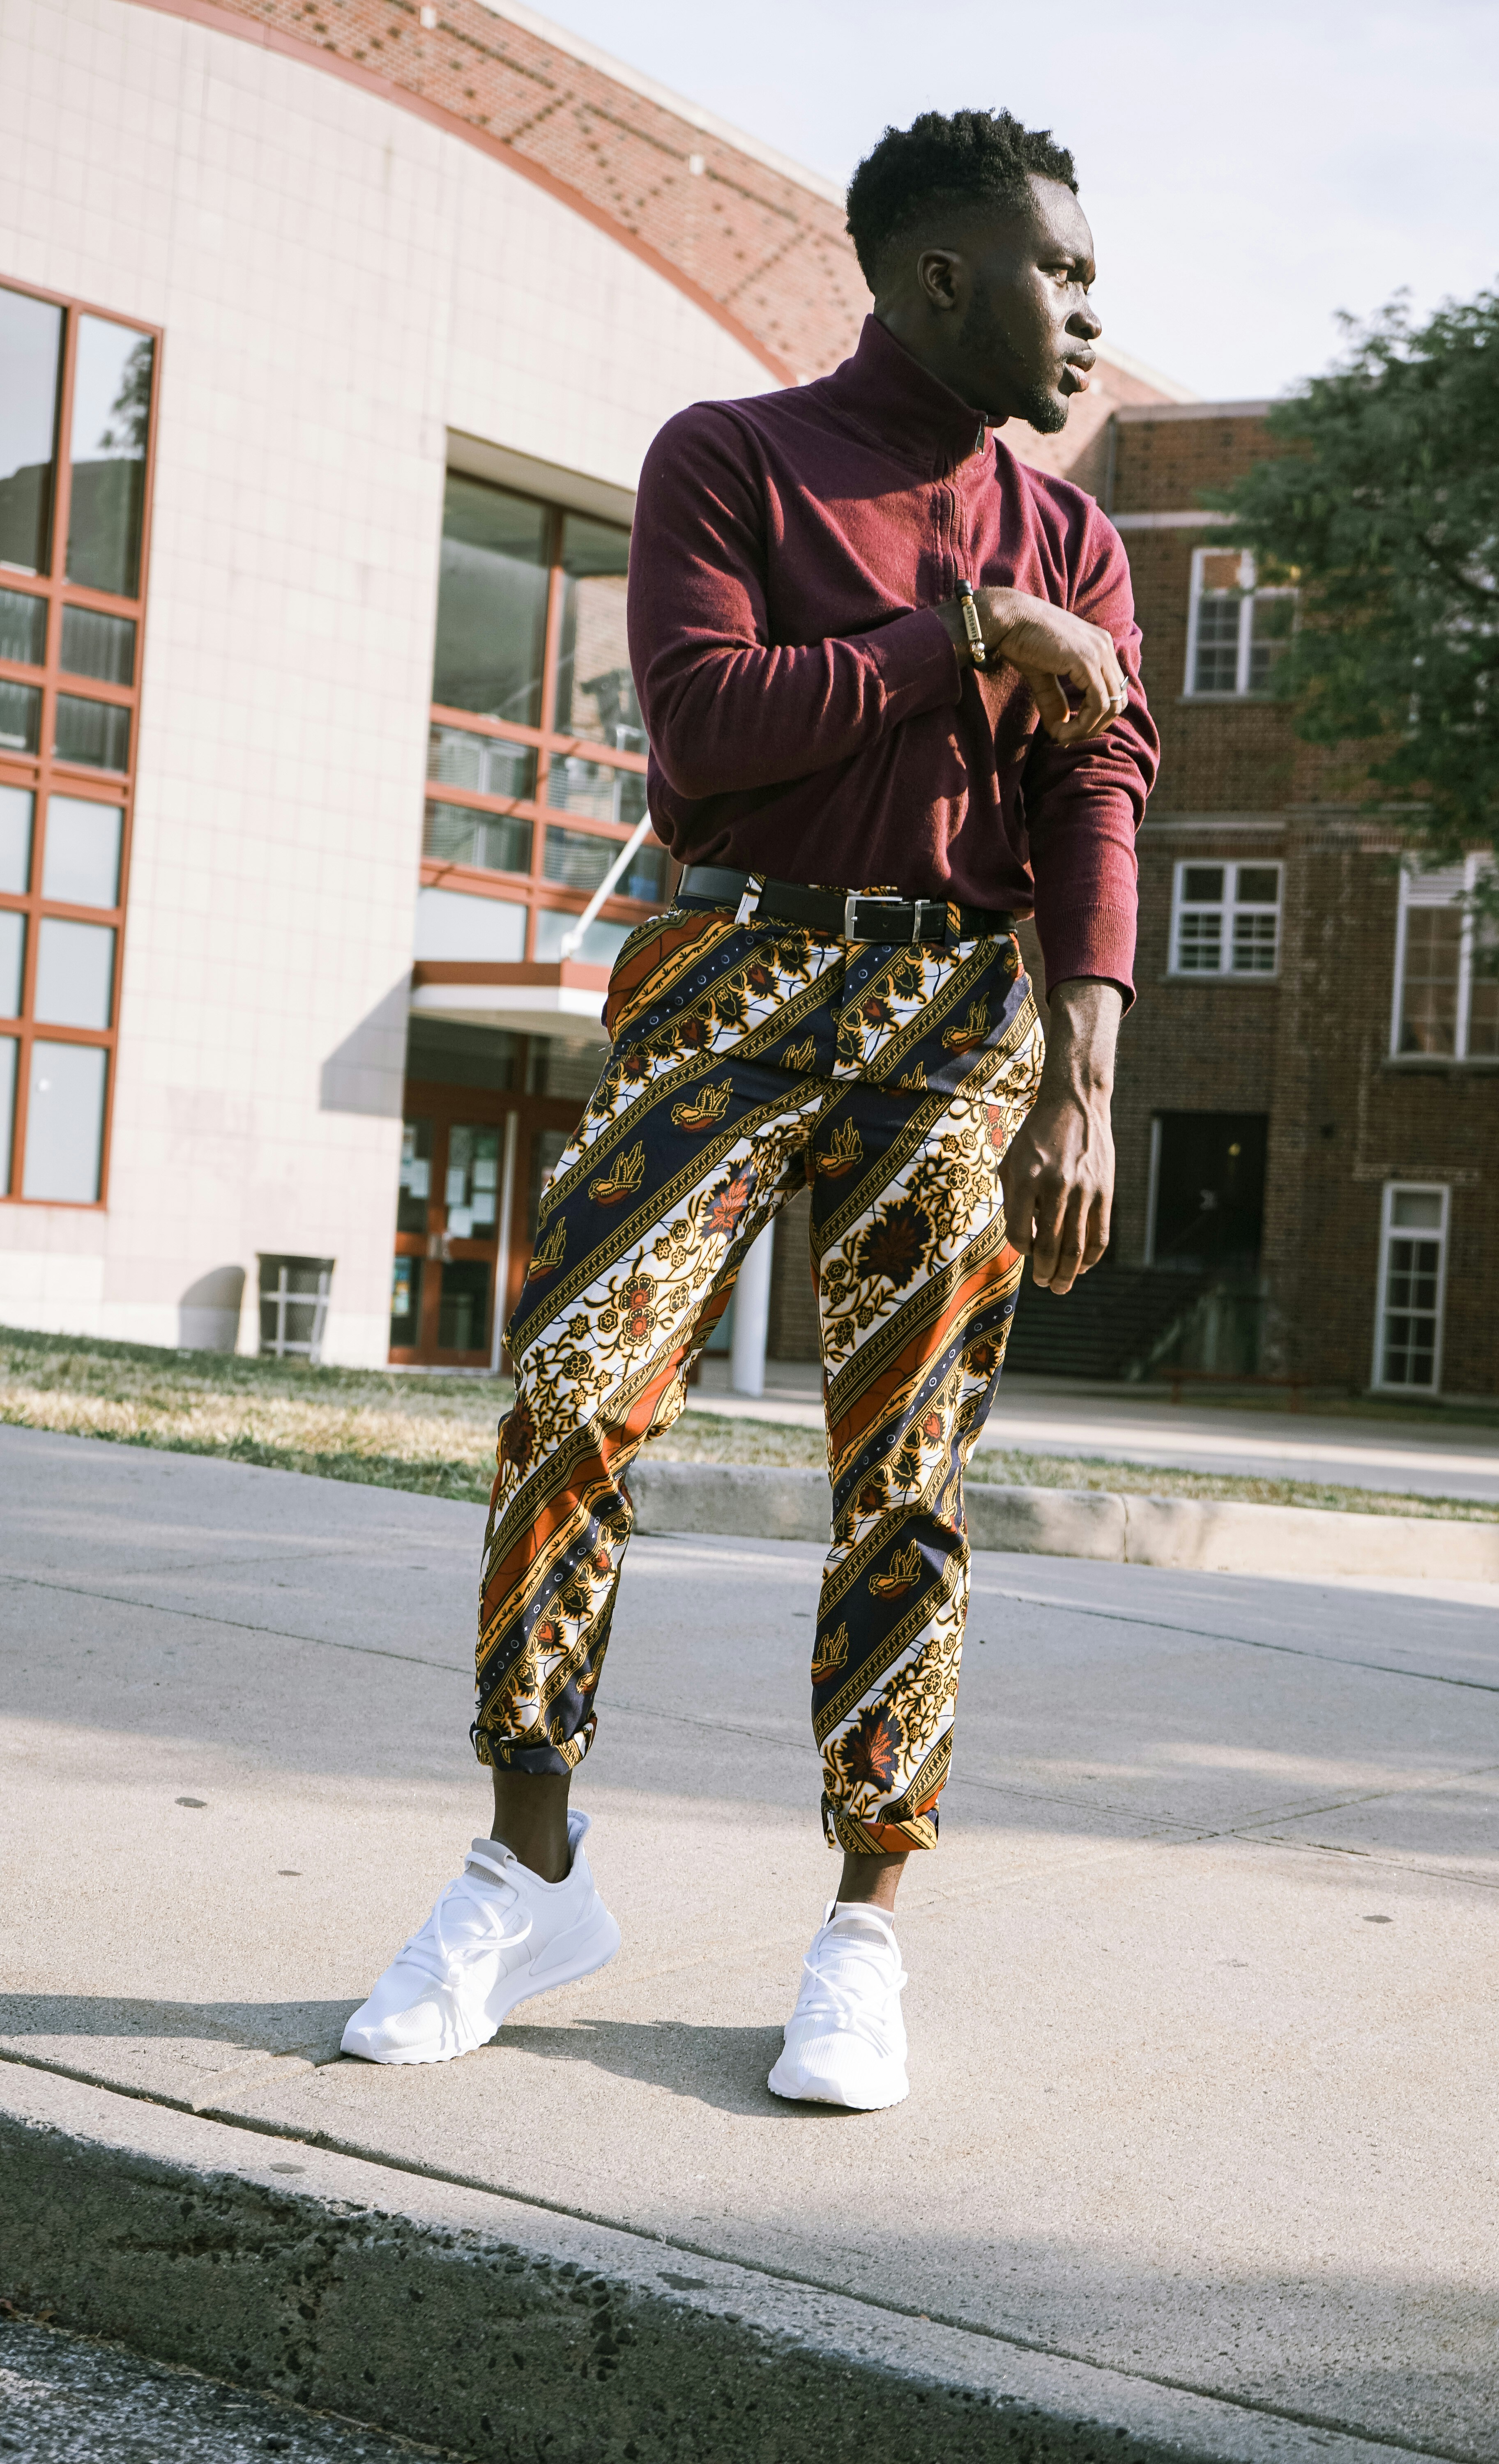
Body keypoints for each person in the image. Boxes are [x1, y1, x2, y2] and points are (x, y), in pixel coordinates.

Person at [343, 106, 1158, 2108]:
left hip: (965, 1015)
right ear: (937, 275)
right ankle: (526, 1874)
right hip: (729, 977)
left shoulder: (1079, 536)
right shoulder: (733, 457)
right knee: (568, 1397)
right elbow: (707, 727)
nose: (1088, 309)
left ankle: (862, 1934)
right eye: (1056, 271)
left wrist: (1088, 1077)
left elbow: (1097, 796)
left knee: (910, 1473)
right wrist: (960, 633)